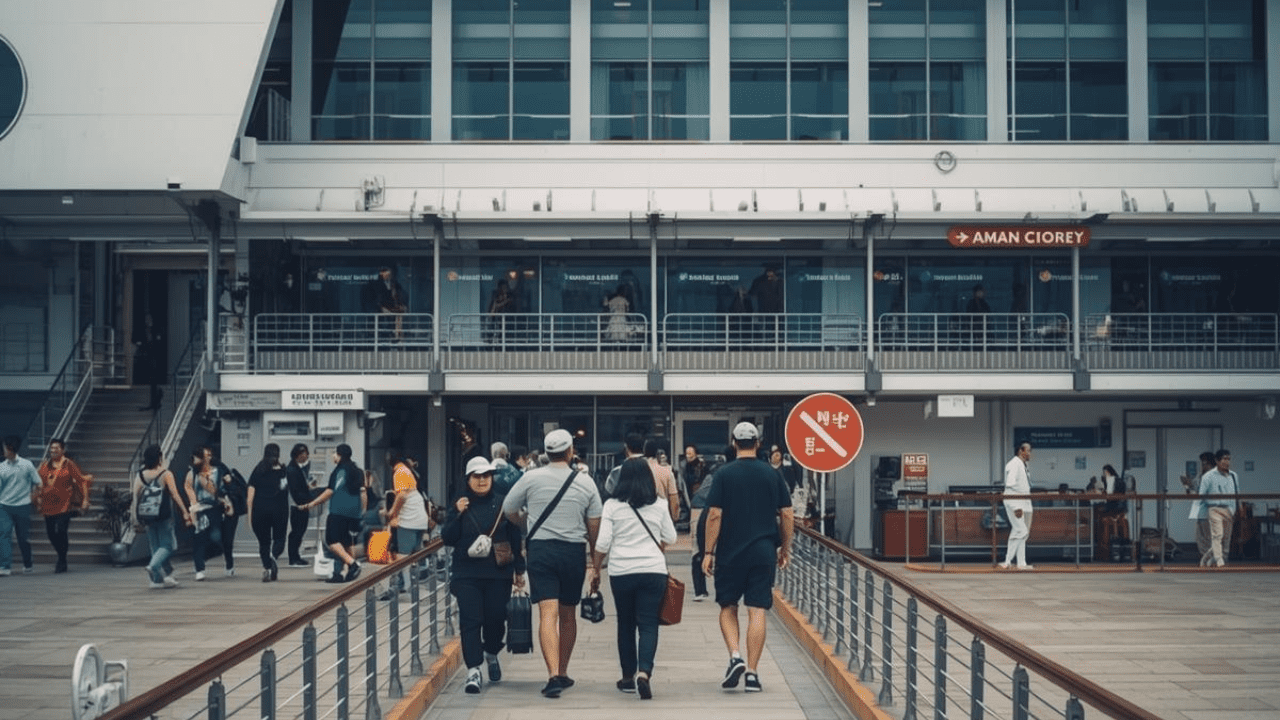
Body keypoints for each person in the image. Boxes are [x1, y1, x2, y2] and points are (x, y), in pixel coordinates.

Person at [502, 428, 603, 699]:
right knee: (568, 613)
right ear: (570, 452)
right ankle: (563, 670)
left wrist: (526, 523)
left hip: (541, 551)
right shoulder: (586, 482)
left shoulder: (530, 478)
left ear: (546, 453)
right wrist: (595, 563)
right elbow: (595, 527)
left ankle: (552, 675)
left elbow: (509, 509)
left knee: (548, 613)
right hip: (573, 552)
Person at [701, 422, 793, 694]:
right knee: (757, 609)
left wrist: (708, 551)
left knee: (728, 606)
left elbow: (715, 514)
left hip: (730, 551)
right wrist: (784, 548)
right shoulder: (772, 474)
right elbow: (787, 514)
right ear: (758, 442)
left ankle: (735, 656)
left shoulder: (724, 474)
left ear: (733, 443)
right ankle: (752, 674)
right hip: (763, 551)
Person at [593, 457, 676, 700]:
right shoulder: (659, 505)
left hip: (622, 572)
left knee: (625, 624)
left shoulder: (611, 506)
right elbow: (670, 538)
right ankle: (644, 673)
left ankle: (627, 678)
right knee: (649, 624)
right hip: (653, 571)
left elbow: (603, 543)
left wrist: (596, 570)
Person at [442, 457, 526, 694]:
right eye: (476, 477)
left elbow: (514, 538)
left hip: (498, 573)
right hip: (466, 573)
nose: (481, 481)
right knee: (470, 620)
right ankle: (473, 670)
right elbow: (447, 538)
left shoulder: (503, 504)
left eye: (486, 476)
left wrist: (520, 570)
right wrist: (456, 514)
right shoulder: (459, 505)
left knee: (496, 620)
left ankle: (491, 652)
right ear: (468, 479)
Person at [300, 443, 366, 583]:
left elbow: (331, 491)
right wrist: (362, 511)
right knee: (346, 542)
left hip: (339, 510)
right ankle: (343, 573)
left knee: (332, 540)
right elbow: (363, 492)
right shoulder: (357, 470)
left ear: (340, 455)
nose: (333, 456)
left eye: (335, 453)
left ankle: (353, 565)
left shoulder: (340, 470)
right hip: (353, 512)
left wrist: (312, 504)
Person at [131, 444, 188, 588]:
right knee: (168, 546)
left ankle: (156, 581)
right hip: (164, 515)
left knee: (155, 547)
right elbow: (175, 495)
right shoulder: (166, 474)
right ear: (159, 458)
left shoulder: (140, 475)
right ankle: (153, 565)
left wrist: (134, 518)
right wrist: (185, 511)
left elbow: (135, 498)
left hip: (147, 516)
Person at [36, 438, 93, 574]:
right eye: (51, 448)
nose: (53, 451)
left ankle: (62, 559)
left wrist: (85, 499)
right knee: (51, 534)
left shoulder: (69, 464)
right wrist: (38, 498)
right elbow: (39, 484)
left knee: (61, 531)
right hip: (48, 506)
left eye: (56, 448)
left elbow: (82, 481)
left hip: (65, 505)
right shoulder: (45, 465)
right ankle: (61, 554)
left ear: (63, 450)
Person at [383, 451, 435, 599]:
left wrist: (392, 512)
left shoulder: (399, 471)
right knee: (415, 553)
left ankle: (400, 585)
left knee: (402, 555)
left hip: (409, 517)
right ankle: (413, 581)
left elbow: (402, 495)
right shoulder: (408, 471)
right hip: (419, 515)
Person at [247, 443, 289, 582]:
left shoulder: (257, 471)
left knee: (264, 543)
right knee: (279, 539)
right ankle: (273, 557)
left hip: (260, 511)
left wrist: (249, 517)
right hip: (280, 511)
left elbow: (250, 498)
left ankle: (268, 569)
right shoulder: (283, 472)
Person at [0, 435, 41, 576]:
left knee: (23, 537)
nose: (3, 450)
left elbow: (38, 482)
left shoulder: (26, 465)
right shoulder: (1, 467)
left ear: (11, 449)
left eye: (5, 447)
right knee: (4, 534)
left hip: (23, 506)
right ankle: (5, 566)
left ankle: (28, 564)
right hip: (4, 506)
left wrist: (33, 497)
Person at [1198, 449, 1238, 568]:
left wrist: (1236, 508)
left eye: (1228, 459)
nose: (1227, 462)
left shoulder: (1233, 476)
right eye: (1224, 459)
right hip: (1214, 508)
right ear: (1217, 461)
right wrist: (1210, 504)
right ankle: (1220, 561)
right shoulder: (1208, 476)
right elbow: (1201, 495)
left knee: (1226, 539)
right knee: (1217, 535)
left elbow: (1237, 493)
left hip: (1228, 509)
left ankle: (1210, 559)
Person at [999, 441, 1035, 570]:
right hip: (1015, 502)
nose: (1030, 454)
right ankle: (1007, 561)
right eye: (1028, 451)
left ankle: (1021, 563)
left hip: (1023, 501)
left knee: (1019, 532)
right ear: (1021, 451)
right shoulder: (1014, 464)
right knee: (1022, 531)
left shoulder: (1023, 465)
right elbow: (1010, 483)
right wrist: (1016, 506)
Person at [1182, 451, 1216, 564]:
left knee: (1207, 537)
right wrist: (1188, 484)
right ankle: (1206, 559)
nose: (1203, 466)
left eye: (1205, 463)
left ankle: (1211, 560)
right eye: (1202, 463)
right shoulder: (1203, 476)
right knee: (1200, 537)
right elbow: (1197, 488)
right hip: (1201, 511)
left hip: (1210, 510)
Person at [284, 443, 314, 567]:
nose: (306, 456)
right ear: (298, 455)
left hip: (300, 504)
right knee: (297, 531)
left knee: (299, 531)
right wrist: (304, 501)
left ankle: (296, 556)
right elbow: (295, 489)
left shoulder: (298, 468)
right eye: (304, 454)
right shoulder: (292, 469)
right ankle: (293, 558)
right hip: (298, 505)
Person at [644, 439, 681, 522]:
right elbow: (674, 499)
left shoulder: (637, 470)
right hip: (663, 517)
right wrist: (675, 518)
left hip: (642, 516)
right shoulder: (667, 472)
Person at [370, 266, 408, 342]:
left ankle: (397, 335)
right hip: (382, 308)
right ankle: (379, 338)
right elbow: (376, 299)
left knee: (400, 314)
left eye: (389, 273)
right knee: (386, 317)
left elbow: (400, 297)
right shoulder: (377, 285)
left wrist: (403, 305)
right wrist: (381, 307)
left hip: (392, 307)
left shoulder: (396, 285)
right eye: (384, 273)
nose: (387, 275)